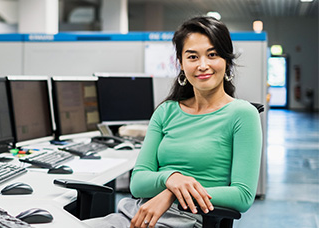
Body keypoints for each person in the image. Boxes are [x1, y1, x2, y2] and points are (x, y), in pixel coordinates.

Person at [83, 16, 262, 228]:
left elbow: (242, 196)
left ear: (227, 61)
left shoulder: (242, 114)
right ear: (181, 63)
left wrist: (170, 194)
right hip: (135, 214)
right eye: (193, 57)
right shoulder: (166, 111)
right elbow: (138, 183)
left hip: (185, 220)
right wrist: (171, 178)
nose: (203, 65)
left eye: (212, 55)